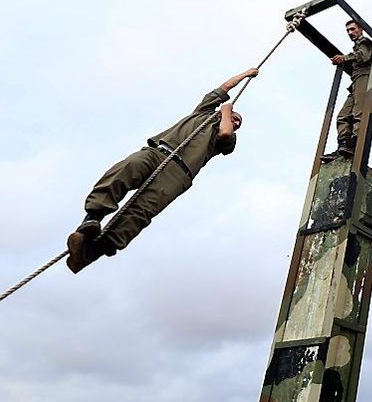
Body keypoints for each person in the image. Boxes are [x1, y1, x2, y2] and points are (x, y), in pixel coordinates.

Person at [66, 68, 258, 273]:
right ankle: (93, 218)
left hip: (178, 172)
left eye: (239, 122)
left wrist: (228, 111)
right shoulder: (203, 112)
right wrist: (246, 74)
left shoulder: (227, 139)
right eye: (236, 117)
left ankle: (91, 253)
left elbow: (226, 132)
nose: (236, 122)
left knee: (141, 211)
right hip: (158, 152)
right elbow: (224, 87)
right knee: (127, 168)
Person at [323, 20, 372, 162]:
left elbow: (363, 56)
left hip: (364, 79)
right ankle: (343, 145)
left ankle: (354, 145)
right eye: (348, 30)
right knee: (342, 116)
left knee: (358, 113)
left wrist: (344, 58)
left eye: (353, 29)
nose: (350, 33)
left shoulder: (364, 42)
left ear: (360, 29)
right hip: (355, 82)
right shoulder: (357, 45)